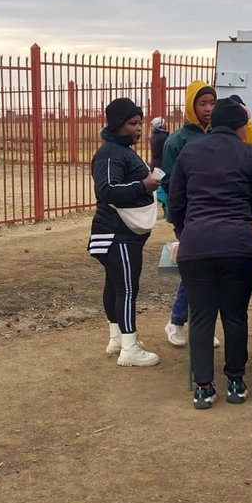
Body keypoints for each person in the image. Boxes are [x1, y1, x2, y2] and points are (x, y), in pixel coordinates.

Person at [167, 98, 252, 408]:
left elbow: (175, 206)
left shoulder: (189, 151)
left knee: (201, 317)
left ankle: (203, 388)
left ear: (213, 124)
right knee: (235, 315)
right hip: (238, 246)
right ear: (241, 127)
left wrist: (188, 234)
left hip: (196, 246)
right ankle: (236, 383)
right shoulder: (251, 154)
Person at [88, 97, 162, 367]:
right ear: (118, 124)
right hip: (117, 233)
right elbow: (106, 191)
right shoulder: (110, 153)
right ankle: (130, 348)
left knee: (116, 285)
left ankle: (118, 338)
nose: (139, 128)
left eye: (140, 123)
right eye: (133, 123)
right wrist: (144, 185)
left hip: (120, 233)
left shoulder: (122, 150)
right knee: (127, 289)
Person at [160, 82, 216, 348]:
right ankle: (177, 321)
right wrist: (177, 214)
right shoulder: (176, 140)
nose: (208, 109)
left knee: (211, 270)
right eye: (202, 104)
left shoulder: (219, 135)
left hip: (214, 214)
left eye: (212, 103)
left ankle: (200, 325)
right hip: (187, 216)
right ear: (191, 106)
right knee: (193, 270)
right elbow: (168, 181)